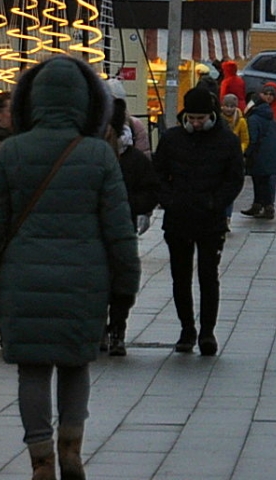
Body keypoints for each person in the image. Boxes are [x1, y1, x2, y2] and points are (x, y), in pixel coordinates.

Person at [0, 56, 139, 480]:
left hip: (23, 279)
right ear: (86, 104)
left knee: (33, 369)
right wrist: (125, 286)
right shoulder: (99, 156)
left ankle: (41, 457)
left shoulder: (12, 153)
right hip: (85, 279)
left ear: (31, 102)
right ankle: (72, 449)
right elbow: (119, 229)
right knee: (76, 363)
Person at [151, 85, 245, 355]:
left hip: (210, 219)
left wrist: (216, 202)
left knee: (208, 275)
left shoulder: (226, 141)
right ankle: (186, 329)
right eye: (191, 118)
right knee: (180, 276)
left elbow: (234, 177)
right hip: (178, 218)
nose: (195, 123)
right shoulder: (172, 139)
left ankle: (207, 332)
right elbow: (157, 174)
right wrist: (169, 200)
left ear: (211, 116)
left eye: (200, 119)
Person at [104, 93, 160, 356]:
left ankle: (117, 329)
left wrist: (133, 207)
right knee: (101, 282)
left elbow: (150, 190)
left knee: (120, 282)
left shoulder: (133, 160)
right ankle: (101, 330)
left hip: (121, 227)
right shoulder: (93, 156)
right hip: (94, 229)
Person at [241, 84, 276, 219]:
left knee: (260, 181)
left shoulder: (254, 118)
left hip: (260, 155)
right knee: (264, 180)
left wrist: (247, 153)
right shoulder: (269, 115)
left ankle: (265, 207)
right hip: (272, 154)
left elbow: (253, 138)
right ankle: (261, 205)